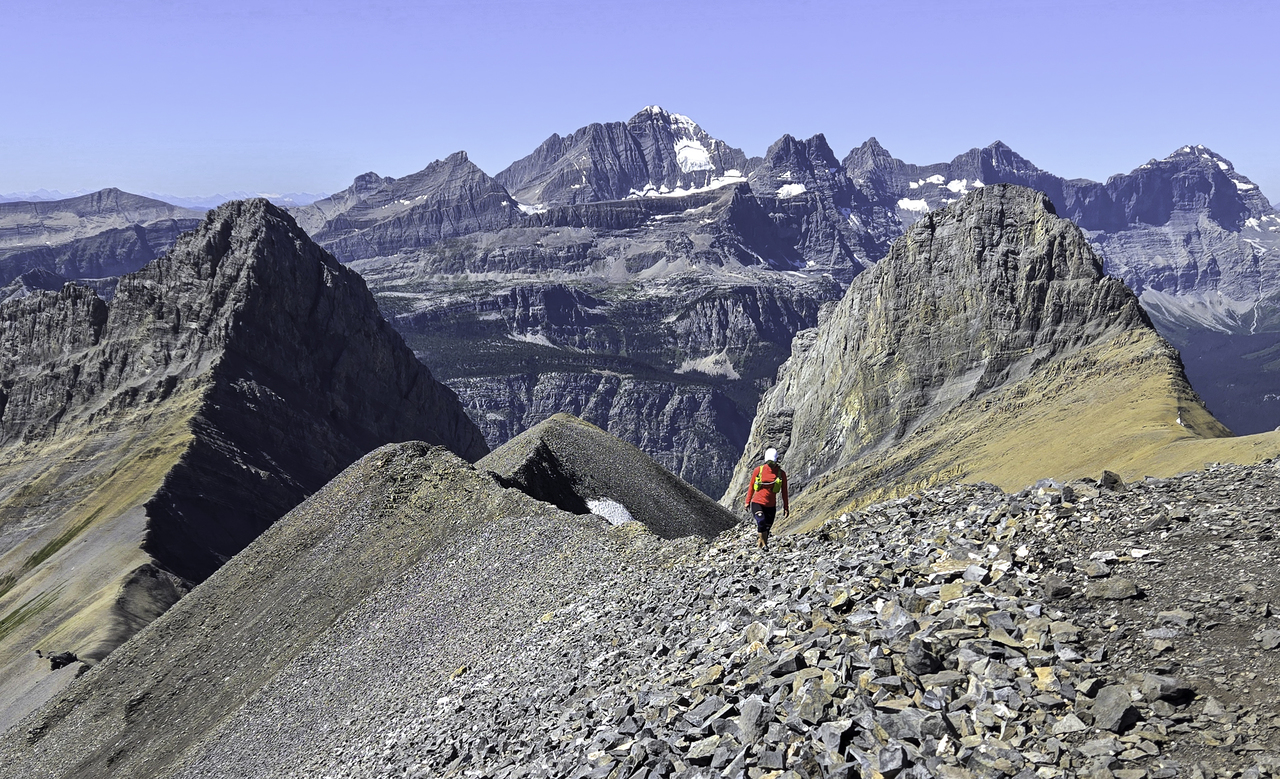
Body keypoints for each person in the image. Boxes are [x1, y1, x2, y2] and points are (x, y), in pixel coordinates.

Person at [745, 447, 788, 549]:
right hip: (757, 503)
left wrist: (786, 507)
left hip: (771, 506)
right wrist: (747, 501)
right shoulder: (758, 471)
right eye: (769, 462)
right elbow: (751, 486)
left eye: (772, 462)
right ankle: (764, 545)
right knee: (761, 521)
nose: (770, 464)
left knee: (766, 529)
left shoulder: (781, 474)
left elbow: (784, 492)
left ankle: (760, 548)